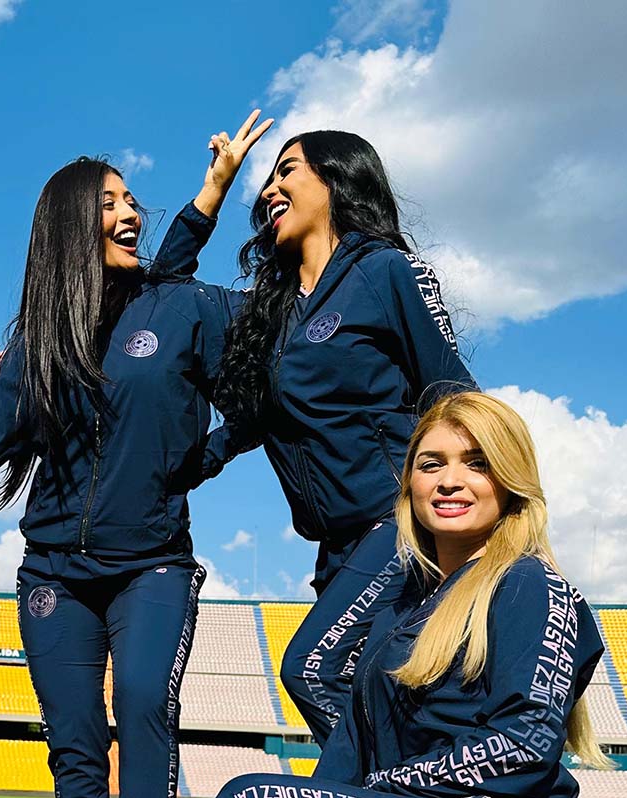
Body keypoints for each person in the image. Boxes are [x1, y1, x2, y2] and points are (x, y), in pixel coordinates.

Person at [0, 113, 271, 798]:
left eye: (131, 200)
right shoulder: (39, 340)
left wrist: (203, 456)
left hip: (152, 565)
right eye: (108, 203)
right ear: (70, 228)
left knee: (143, 705)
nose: (130, 212)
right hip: (55, 575)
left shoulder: (183, 306)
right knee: (74, 745)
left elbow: (266, 386)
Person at [212, 391, 610, 798]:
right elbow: (350, 742)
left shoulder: (528, 582)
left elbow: (525, 739)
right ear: (409, 484)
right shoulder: (401, 609)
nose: (450, 481)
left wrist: (389, 784)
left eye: (477, 464)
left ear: (511, 481)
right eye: (431, 464)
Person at [190, 130, 476, 744]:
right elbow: (256, 413)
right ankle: (417, 795)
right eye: (268, 179)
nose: (269, 188)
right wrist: (193, 462)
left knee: (313, 670)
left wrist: (483, 512)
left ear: (337, 178)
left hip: (399, 520)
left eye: (287, 170)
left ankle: (378, 797)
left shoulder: (385, 271)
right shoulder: (271, 311)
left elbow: (454, 393)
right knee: (386, 695)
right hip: (336, 547)